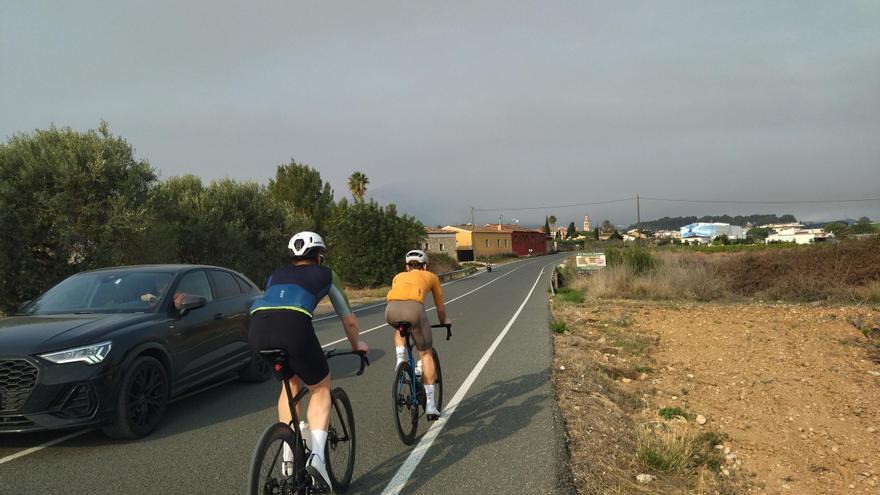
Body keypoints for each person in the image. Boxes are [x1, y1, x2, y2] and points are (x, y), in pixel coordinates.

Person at [248, 231, 368, 487]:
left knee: (290, 385)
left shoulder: (275, 275)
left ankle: (288, 456)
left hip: (258, 330)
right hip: (294, 329)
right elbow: (348, 318)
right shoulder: (326, 274)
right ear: (318, 256)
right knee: (321, 387)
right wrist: (357, 345)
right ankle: (318, 462)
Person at [385, 249, 450, 420]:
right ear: (425, 266)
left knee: (400, 327)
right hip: (414, 310)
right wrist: (444, 322)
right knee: (426, 353)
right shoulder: (431, 277)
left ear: (407, 267)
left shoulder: (397, 277)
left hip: (390, 311)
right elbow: (440, 307)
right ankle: (430, 405)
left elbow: (398, 300)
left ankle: (400, 360)